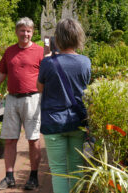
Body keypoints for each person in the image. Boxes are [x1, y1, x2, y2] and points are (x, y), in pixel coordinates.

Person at [0, 17, 44, 190]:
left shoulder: (40, 51)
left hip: (33, 99)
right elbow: (1, 75)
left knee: (33, 140)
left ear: (32, 32)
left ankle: (33, 178)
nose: (25, 34)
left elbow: (47, 77)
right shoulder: (9, 51)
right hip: (12, 99)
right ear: (16, 32)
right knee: (10, 140)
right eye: (22, 30)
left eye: (29, 31)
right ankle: (9, 177)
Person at [37, 18, 91, 193]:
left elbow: (39, 88)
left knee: (59, 171)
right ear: (78, 37)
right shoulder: (85, 62)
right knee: (76, 167)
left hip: (53, 122)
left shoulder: (47, 62)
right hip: (78, 121)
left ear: (57, 38)